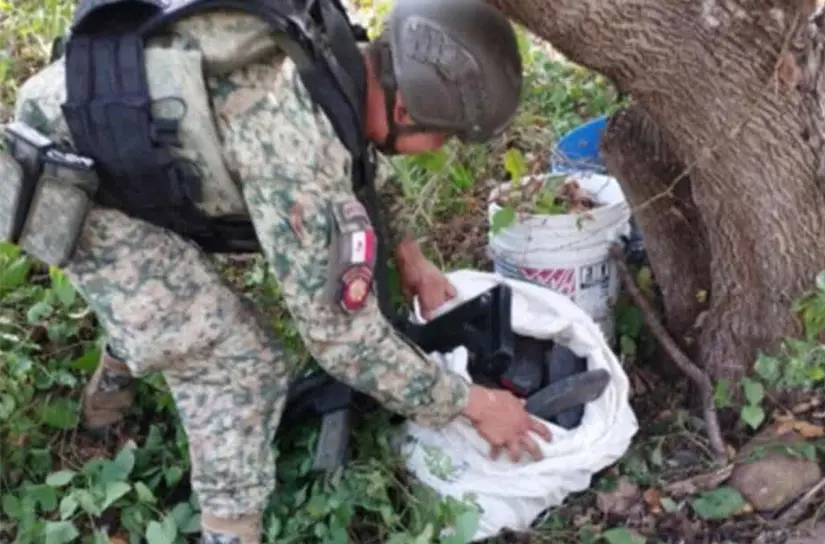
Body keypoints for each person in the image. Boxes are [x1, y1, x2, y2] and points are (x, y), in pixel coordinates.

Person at [7, 0, 552, 541]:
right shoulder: (296, 146)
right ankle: (228, 530)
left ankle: (122, 372)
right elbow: (342, 342)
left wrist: (409, 254)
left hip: (134, 147)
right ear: (407, 109)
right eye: (447, 134)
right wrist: (472, 404)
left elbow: (363, 166)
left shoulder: (339, 60)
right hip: (73, 176)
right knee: (239, 362)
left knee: (172, 300)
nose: (443, 148)